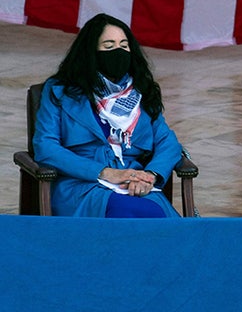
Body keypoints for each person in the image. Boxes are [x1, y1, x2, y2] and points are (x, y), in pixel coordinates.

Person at [32, 13, 184, 217]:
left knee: (155, 215)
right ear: (91, 53)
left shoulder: (141, 92)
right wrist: (104, 172)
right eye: (109, 46)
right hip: (82, 184)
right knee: (129, 213)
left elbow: (169, 143)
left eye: (124, 45)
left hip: (133, 184)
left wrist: (150, 176)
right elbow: (46, 147)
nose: (118, 52)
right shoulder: (61, 92)